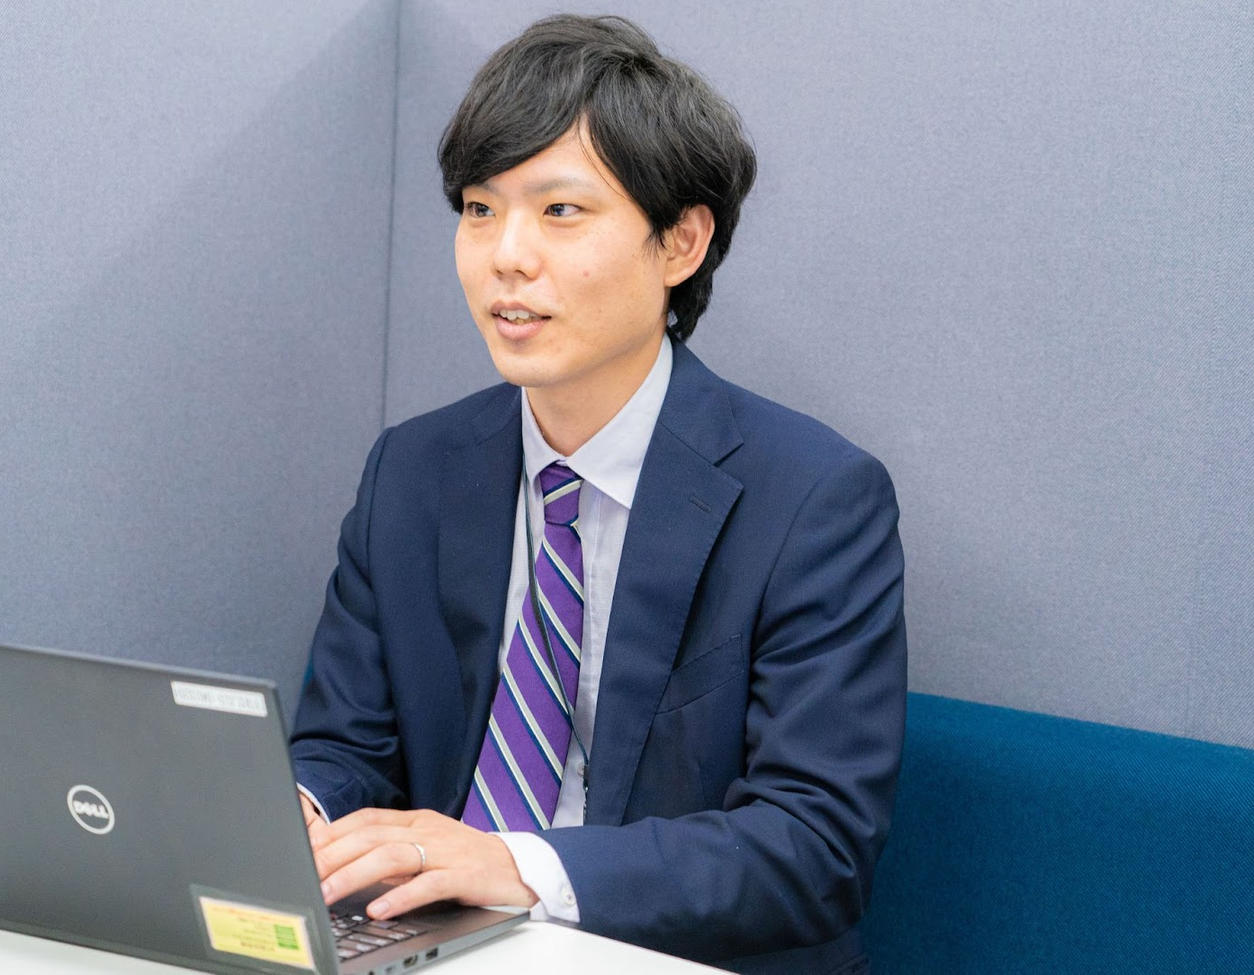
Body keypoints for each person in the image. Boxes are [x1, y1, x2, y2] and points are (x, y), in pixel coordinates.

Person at [289, 14, 906, 974]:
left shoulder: (813, 499)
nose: (506, 255)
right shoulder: (412, 470)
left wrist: (519, 866)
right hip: (438, 949)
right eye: (480, 209)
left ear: (681, 241)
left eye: (560, 211)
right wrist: (300, 807)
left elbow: (812, 846)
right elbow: (345, 746)